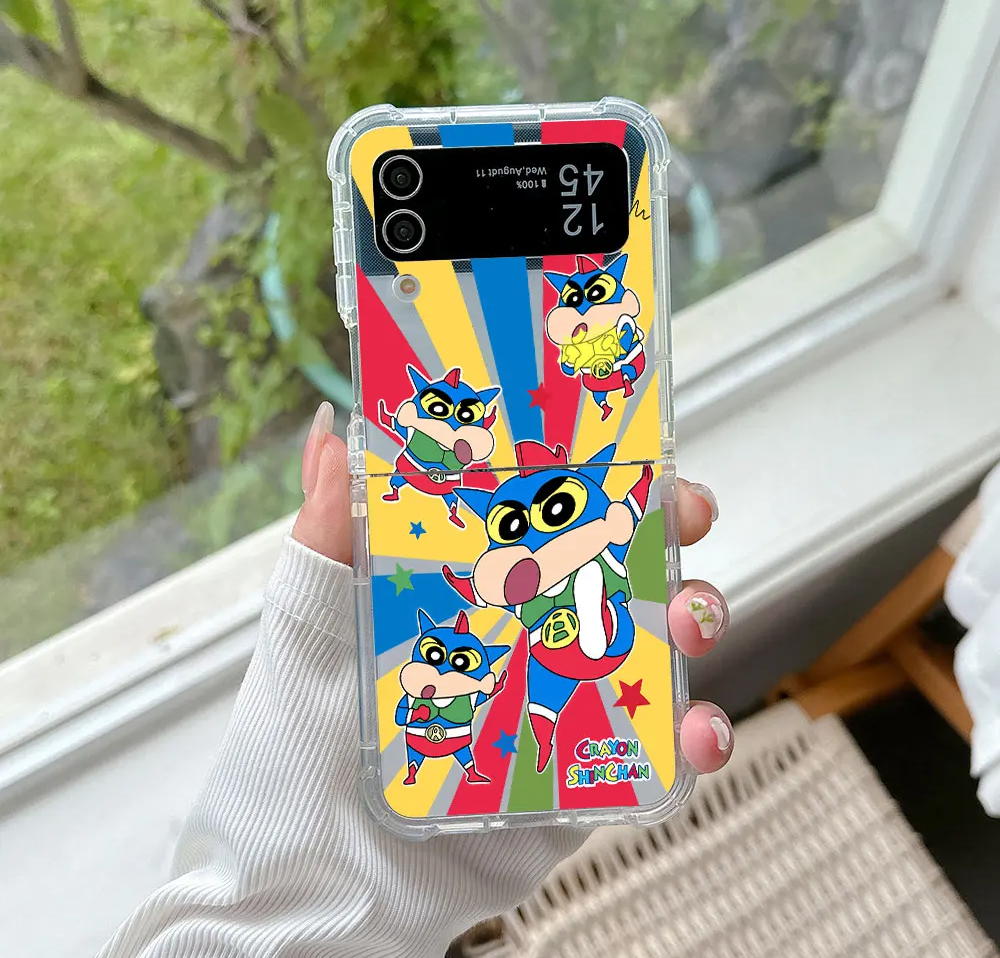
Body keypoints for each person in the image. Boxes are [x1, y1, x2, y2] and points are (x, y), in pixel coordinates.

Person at [97, 402, 734, 958]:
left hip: (579, 619)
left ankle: (584, 624)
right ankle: (560, 677)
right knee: (557, 674)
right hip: (545, 643)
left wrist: (311, 898)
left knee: (600, 606)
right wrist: (362, 889)